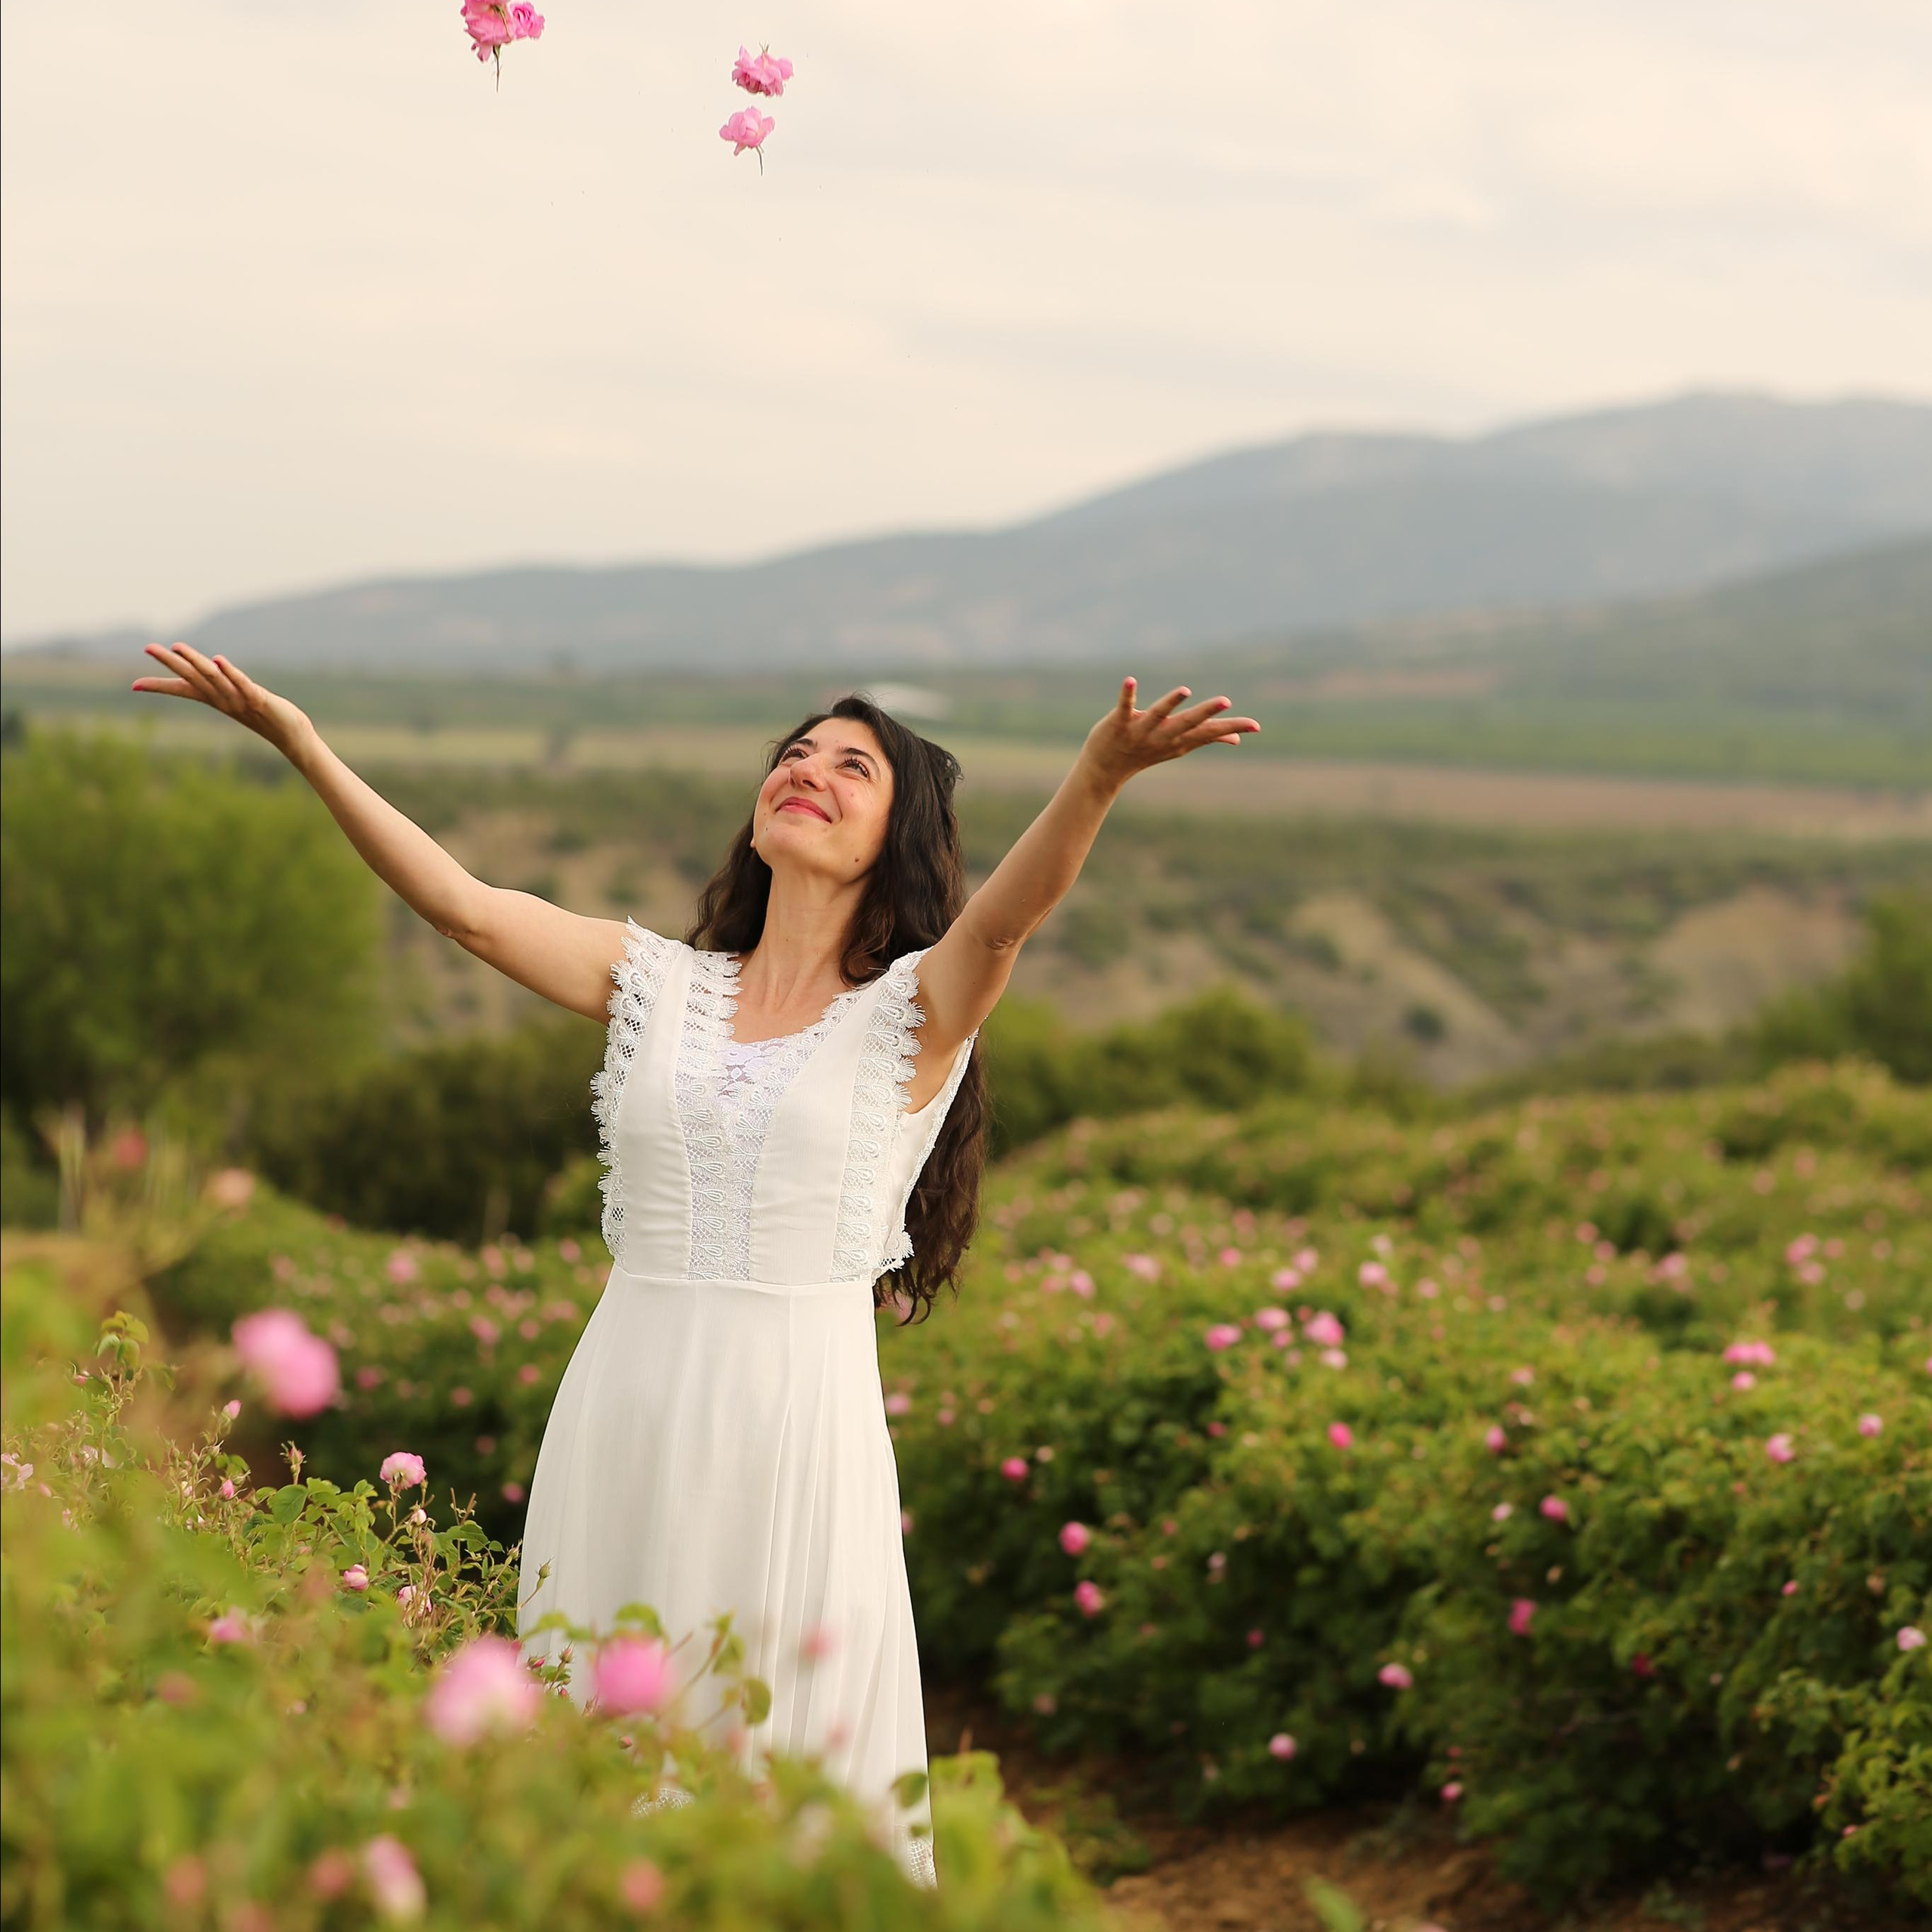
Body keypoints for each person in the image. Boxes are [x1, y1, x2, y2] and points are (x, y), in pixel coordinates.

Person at [131, 642, 1260, 1887]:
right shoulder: (656, 986)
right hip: (623, 1407)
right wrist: (304, 742)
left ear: (899, 836)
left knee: (776, 1771)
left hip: (792, 1436)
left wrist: (1097, 775)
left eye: (853, 766)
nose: (807, 771)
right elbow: (462, 905)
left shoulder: (913, 1011)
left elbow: (1009, 917)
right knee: (596, 1742)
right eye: (794, 752)